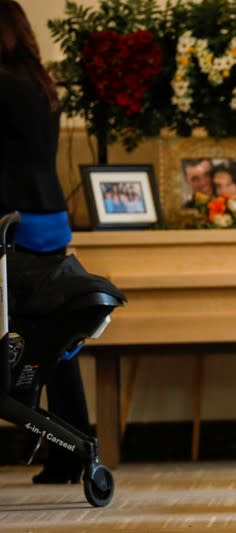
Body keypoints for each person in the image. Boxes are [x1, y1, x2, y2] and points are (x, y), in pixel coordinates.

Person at [0, 0, 89, 484]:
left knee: (26, 335)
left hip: (12, 220)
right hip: (51, 216)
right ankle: (70, 450)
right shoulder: (40, 84)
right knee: (56, 337)